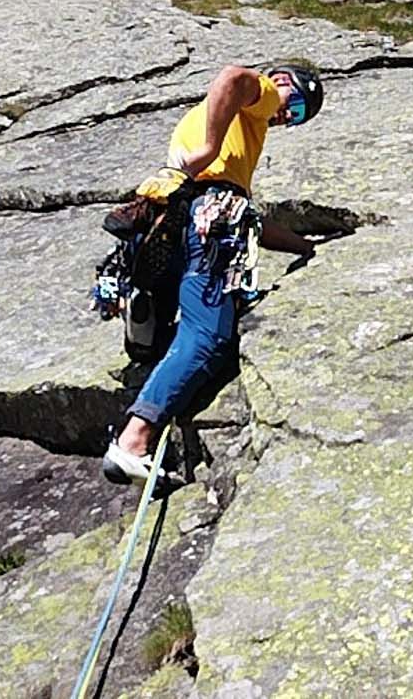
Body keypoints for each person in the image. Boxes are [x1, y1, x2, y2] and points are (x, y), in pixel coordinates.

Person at [101, 61, 324, 484]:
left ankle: (146, 370)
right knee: (207, 336)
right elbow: (233, 77)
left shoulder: (225, 131)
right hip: (211, 218)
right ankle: (134, 440)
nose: (285, 114)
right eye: (294, 104)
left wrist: (303, 247)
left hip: (170, 219)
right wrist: (209, 145)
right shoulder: (259, 96)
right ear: (281, 82)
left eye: (294, 118)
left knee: (167, 333)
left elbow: (252, 220)